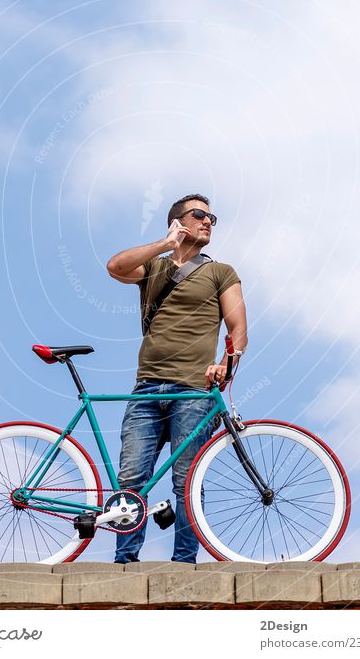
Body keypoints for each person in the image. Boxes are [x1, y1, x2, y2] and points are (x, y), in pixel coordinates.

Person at [106, 193, 248, 563]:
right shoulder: (154, 269)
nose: (208, 222)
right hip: (146, 388)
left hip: (195, 390)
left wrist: (225, 365)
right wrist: (165, 245)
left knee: (186, 478)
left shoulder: (221, 272)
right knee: (131, 479)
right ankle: (125, 563)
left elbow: (239, 330)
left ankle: (184, 565)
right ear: (178, 222)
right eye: (200, 215)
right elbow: (115, 266)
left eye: (212, 218)